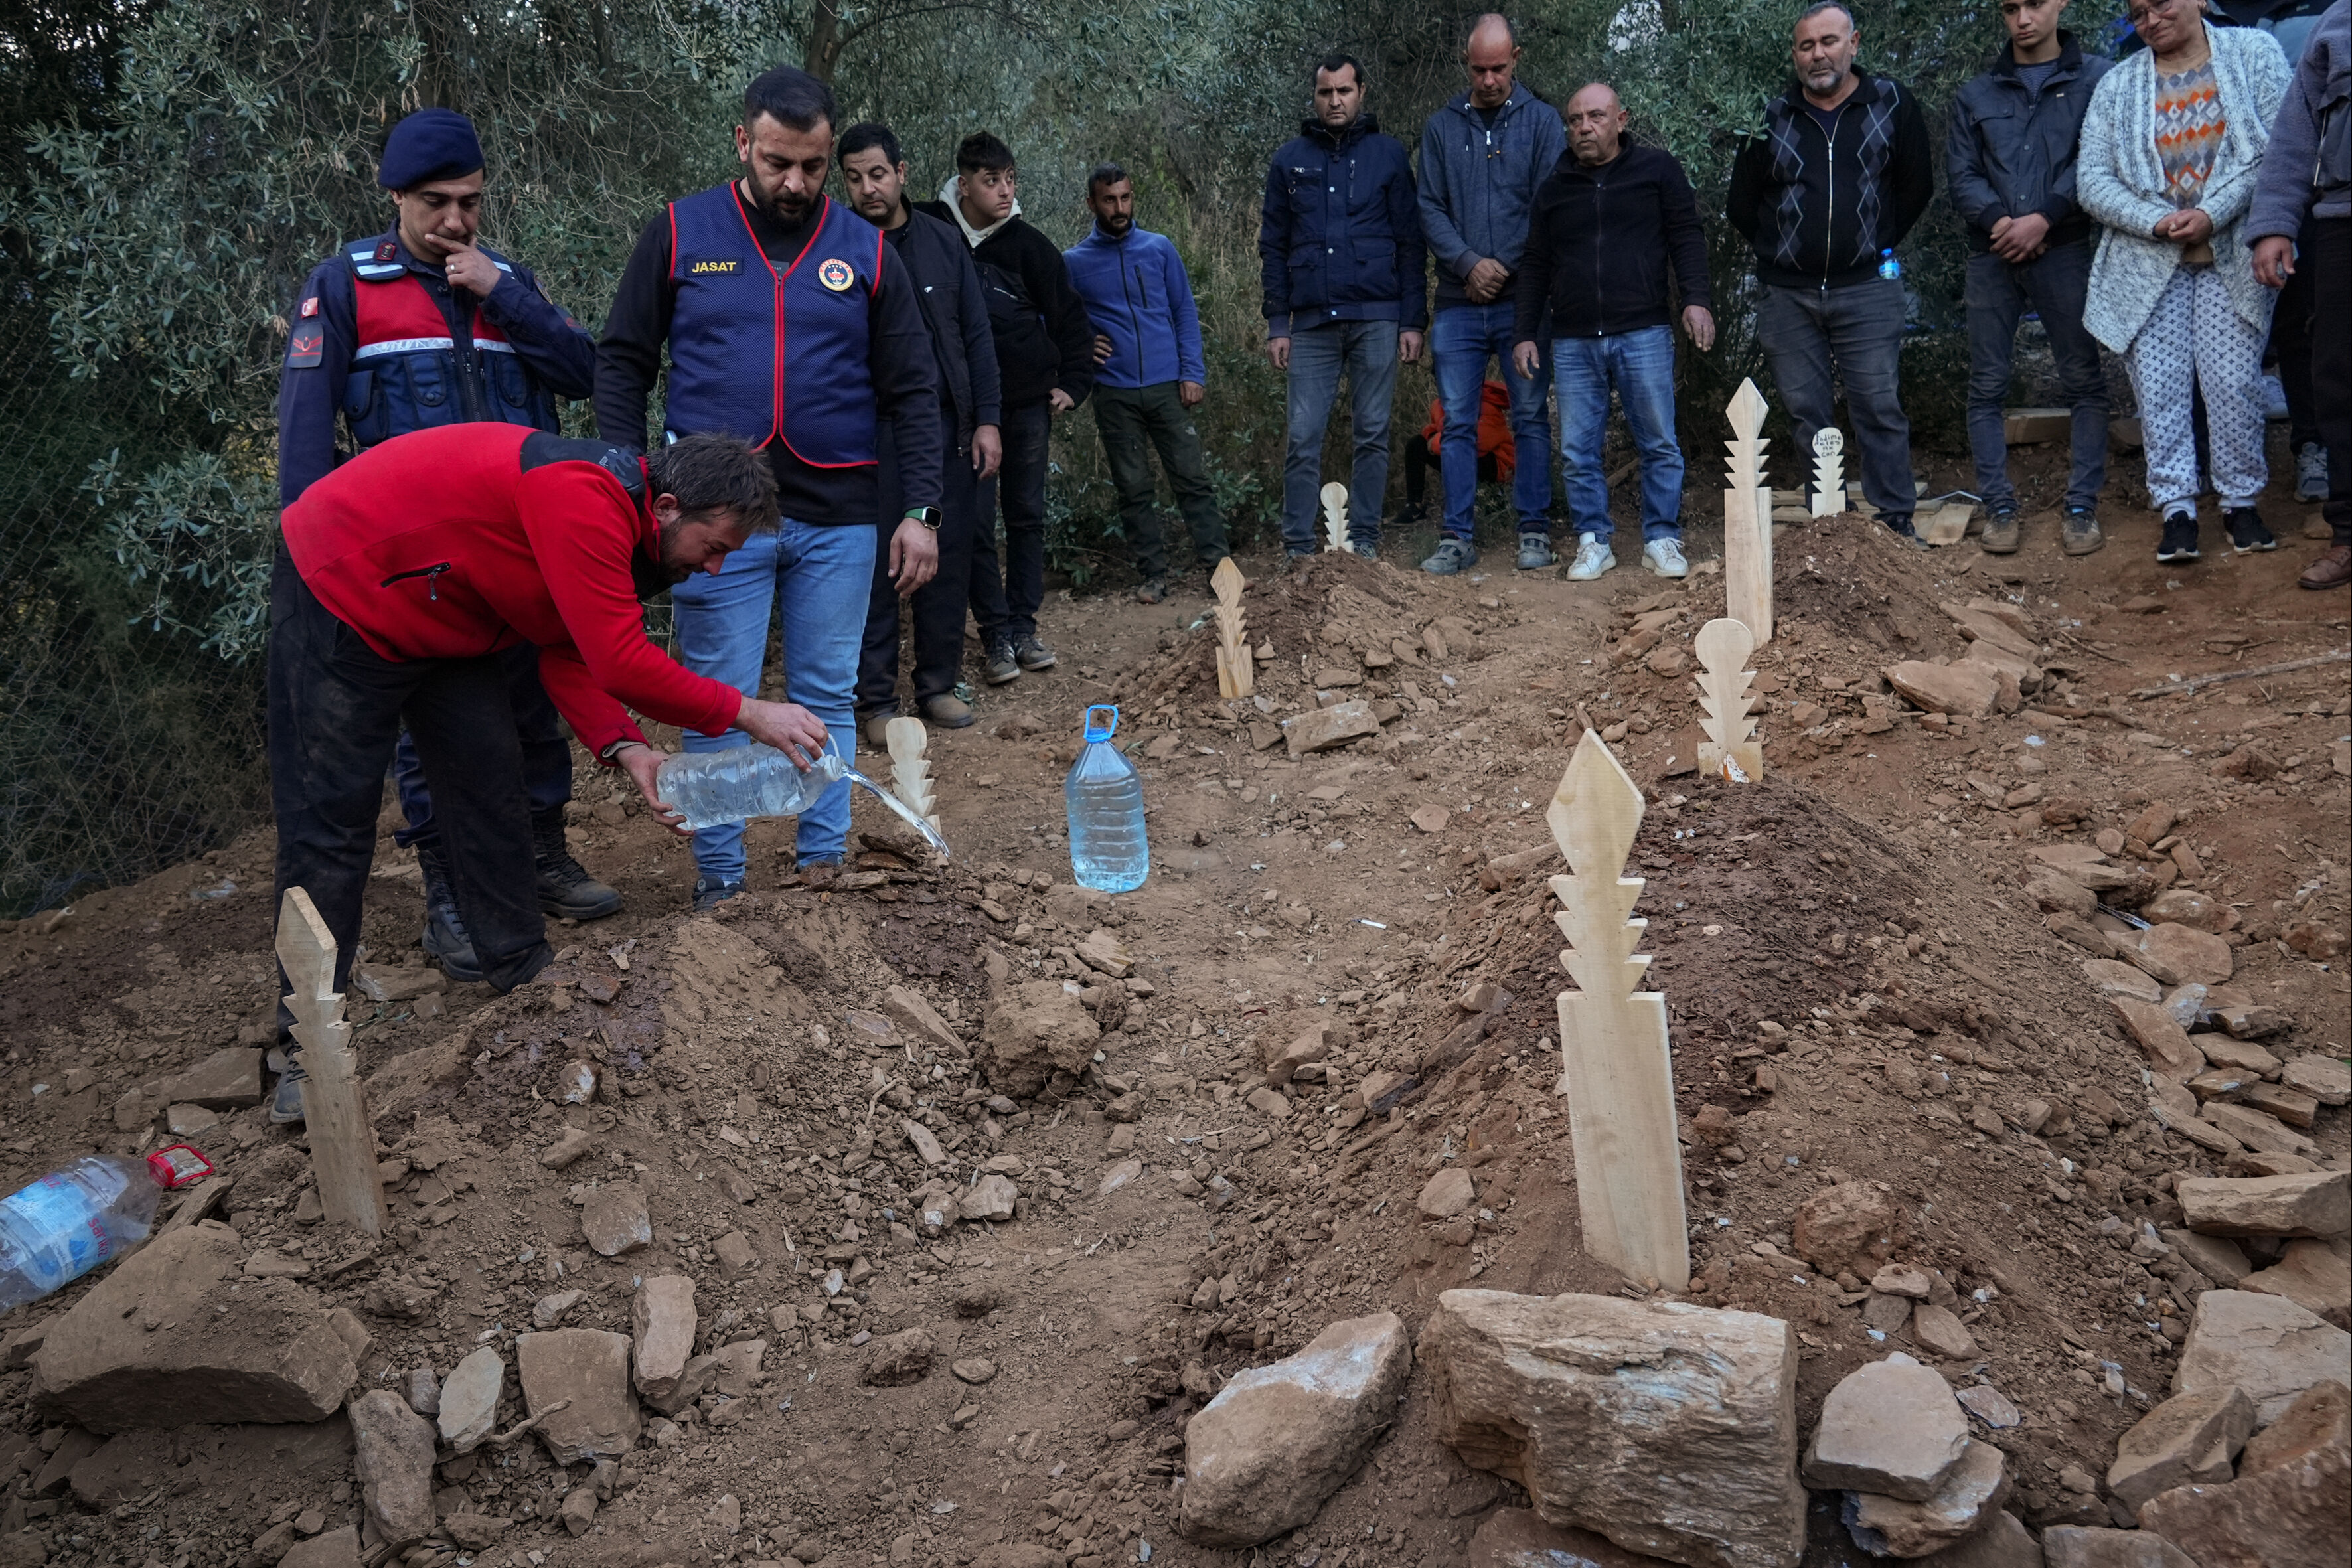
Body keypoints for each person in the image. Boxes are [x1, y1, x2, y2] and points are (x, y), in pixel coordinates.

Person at [269, 426, 828, 1121]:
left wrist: (627, 747)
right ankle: (303, 1045)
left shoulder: (628, 531)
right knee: (331, 819)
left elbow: (570, 650)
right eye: (713, 548)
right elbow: (622, 663)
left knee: (489, 784)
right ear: (669, 506)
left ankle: (526, 976)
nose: (713, 568)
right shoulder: (583, 496)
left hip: (451, 608)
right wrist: (748, 712)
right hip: (343, 585)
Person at [277, 107, 615, 988]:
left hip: (518, 554)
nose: (456, 221)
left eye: (469, 201)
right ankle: (448, 897)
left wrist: (503, 294)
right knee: (435, 747)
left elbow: (585, 374)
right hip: (415, 575)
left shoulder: (509, 284)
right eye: (436, 202)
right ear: (395, 196)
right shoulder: (347, 286)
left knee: (532, 717)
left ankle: (541, 855)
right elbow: (308, 445)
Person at [595, 65, 943, 910]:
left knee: (829, 693)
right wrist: (621, 477)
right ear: (743, 143)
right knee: (717, 700)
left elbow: (913, 387)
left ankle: (821, 868)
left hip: (841, 511)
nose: (795, 183)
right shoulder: (679, 229)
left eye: (813, 167)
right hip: (718, 523)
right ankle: (723, 883)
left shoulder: (866, 250)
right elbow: (623, 360)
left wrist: (920, 509)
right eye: (778, 162)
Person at [2078, 0, 2289, 563]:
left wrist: (2211, 213)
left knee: (2231, 382)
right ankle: (2176, 508)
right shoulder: (2118, 84)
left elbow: (2277, 148)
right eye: (2138, 12)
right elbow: (2091, 178)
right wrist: (2153, 221)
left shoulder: (2253, 53)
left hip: (2230, 254)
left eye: (2162, 4)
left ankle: (2240, 501)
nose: (2150, 19)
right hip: (2149, 264)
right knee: (2159, 386)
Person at [1727, 2, 1934, 539]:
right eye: (1805, 45)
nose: (1818, 54)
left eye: (1828, 41)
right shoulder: (1769, 115)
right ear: (1794, 55)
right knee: (1805, 413)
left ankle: (1895, 523)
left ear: (1853, 43)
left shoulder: (1891, 103)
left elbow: (1916, 188)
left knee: (1878, 405)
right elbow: (1741, 205)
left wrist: (1874, 244)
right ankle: (1831, 526)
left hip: (1868, 286)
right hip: (1786, 296)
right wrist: (1784, 253)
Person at [836, 123, 1004, 736]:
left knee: (948, 552)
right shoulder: (839, 246)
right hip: (871, 430)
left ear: (902, 173)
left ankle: (937, 685)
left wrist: (987, 419)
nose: (867, 189)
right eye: (853, 178)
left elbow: (976, 336)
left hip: (947, 426)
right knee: (878, 563)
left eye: (877, 174)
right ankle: (874, 704)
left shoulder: (942, 240)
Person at [1514, 83, 1714, 584]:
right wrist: (1524, 332)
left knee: (1659, 442)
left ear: (1620, 119)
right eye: (1575, 119)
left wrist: (1696, 299)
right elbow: (1535, 263)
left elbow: (1686, 235)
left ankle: (1661, 538)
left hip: (1642, 328)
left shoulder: (1657, 171)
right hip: (1574, 337)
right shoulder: (1554, 187)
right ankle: (1592, 541)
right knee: (1578, 449)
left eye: (1595, 117)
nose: (1584, 127)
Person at [915, 132, 1095, 682]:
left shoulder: (1030, 245)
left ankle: (1022, 626)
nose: (1003, 190)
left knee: (1026, 516)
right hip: (958, 406)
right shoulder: (929, 229)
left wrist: (1073, 382)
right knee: (970, 524)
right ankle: (993, 633)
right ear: (963, 182)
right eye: (991, 180)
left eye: (1010, 179)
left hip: (1025, 403)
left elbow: (1069, 318)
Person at [1949, 0, 2114, 558]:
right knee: (1986, 386)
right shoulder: (1975, 94)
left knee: (2083, 381)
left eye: (2034, 4)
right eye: (2010, 8)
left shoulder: (2095, 78)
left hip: (2062, 247)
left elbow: (2094, 158)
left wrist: (2044, 216)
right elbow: (1962, 172)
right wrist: (2002, 223)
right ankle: (1998, 506)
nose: (2022, 18)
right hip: (1991, 253)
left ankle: (2081, 507)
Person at [1259, 53, 1427, 560]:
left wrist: (1412, 319)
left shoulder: (1389, 156)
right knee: (1302, 437)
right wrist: (1276, 323)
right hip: (1309, 324)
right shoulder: (1288, 160)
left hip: (1377, 317)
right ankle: (1296, 547)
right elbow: (1273, 245)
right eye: (1325, 93)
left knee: (1372, 432)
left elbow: (1410, 242)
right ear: (1314, 97)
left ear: (1362, 93)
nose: (1334, 101)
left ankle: (1365, 542)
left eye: (1344, 92)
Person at [1416, 14, 1567, 575]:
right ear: (1466, 63)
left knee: (1529, 414)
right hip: (1457, 301)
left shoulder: (1543, 123)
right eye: (1478, 69)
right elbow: (1427, 206)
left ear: (1516, 59)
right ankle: (1456, 536)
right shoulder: (1440, 128)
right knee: (1455, 420)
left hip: (1522, 299)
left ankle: (1533, 529)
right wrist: (1466, 263)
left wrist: (1502, 264)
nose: (1487, 80)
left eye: (1498, 68)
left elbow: (1548, 204)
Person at [1063, 164, 1230, 603]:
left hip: (1167, 386)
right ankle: (1153, 575)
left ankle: (1219, 569)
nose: (1118, 208)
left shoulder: (1159, 249)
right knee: (1133, 488)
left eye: (1125, 198)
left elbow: (1184, 314)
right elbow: (1054, 319)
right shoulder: (1074, 263)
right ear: (1091, 203)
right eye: (1108, 200)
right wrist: (1081, 343)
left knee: (1192, 479)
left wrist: (1192, 373)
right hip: (1114, 392)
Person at [2250, 0, 2351, 588]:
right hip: (2342, 223)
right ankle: (2347, 534)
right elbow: (2295, 135)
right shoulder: (2335, 23)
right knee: (2338, 379)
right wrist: (2272, 225)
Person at [1400, 383, 1516, 520]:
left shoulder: (1486, 404)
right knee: (1417, 444)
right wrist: (1432, 438)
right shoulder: (1441, 403)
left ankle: (1493, 496)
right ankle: (1414, 506)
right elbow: (1432, 428)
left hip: (1496, 465)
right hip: (1459, 450)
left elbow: (1479, 441)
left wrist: (1436, 443)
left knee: (1463, 450)